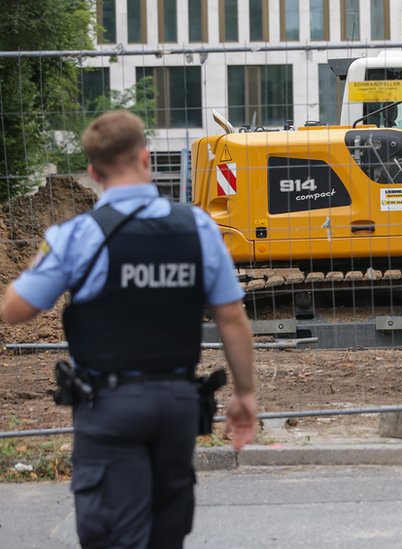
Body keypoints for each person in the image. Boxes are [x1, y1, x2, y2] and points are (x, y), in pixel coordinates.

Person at [0, 110, 258, 547]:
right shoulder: (196, 227)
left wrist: (44, 258)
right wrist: (245, 394)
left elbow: (14, 310)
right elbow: (232, 317)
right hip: (177, 404)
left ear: (92, 172)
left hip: (109, 406)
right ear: (145, 157)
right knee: (166, 534)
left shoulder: (77, 235)